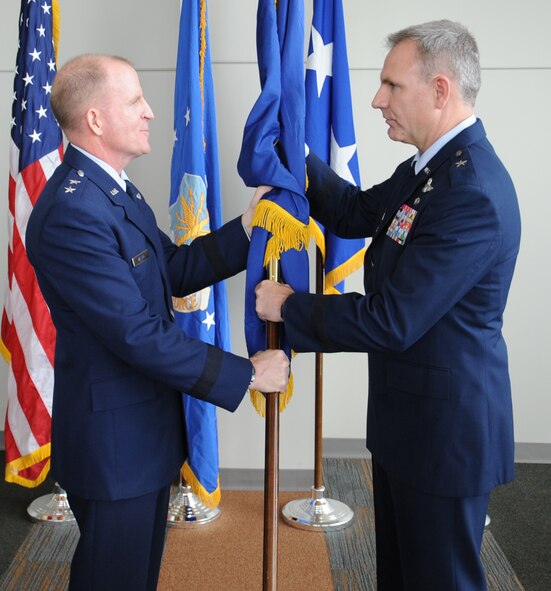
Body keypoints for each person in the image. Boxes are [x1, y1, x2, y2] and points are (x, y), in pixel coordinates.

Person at [256, 20, 521, 591]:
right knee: (402, 577)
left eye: (391, 87)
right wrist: (294, 148)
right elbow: (354, 212)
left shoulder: (468, 193)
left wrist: (291, 307)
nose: (377, 100)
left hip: (445, 437)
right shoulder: (430, 171)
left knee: (440, 579)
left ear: (440, 90)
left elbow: (392, 320)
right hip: (411, 425)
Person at [26, 54, 289, 591]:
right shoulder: (75, 211)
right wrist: (248, 374)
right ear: (96, 120)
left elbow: (172, 268)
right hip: (114, 444)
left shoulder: (113, 190)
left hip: (141, 434)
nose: (149, 112)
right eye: (134, 101)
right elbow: (136, 334)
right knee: (112, 578)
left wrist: (247, 226)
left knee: (136, 576)